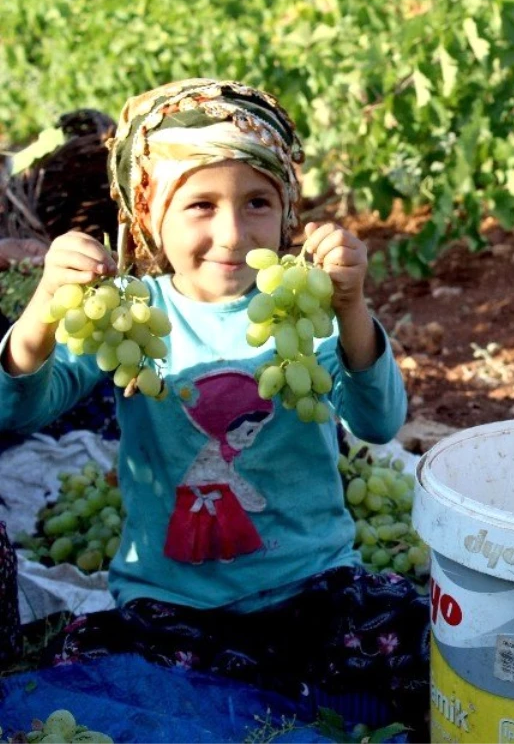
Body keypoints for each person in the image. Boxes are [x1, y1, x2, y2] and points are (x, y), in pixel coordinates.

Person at [0, 79, 428, 730]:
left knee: (417, 639)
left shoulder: (302, 307)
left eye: (257, 202)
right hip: (175, 602)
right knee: (115, 675)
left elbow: (378, 421)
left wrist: (352, 307)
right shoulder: (131, 316)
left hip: (313, 587)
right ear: (150, 217)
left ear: (287, 216)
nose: (231, 233)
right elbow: (20, 410)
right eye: (199, 204)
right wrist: (41, 314)